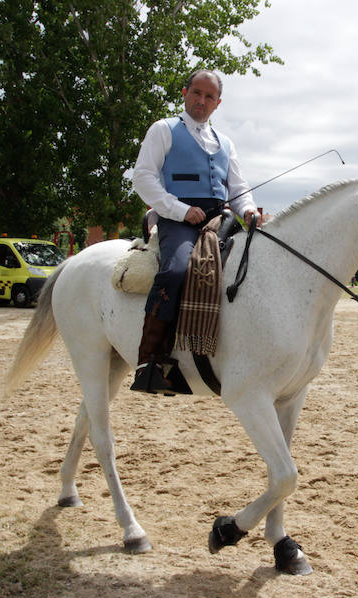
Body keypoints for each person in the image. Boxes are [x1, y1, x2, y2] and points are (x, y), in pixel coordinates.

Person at [129, 69, 266, 395]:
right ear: (184, 93)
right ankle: (150, 362)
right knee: (176, 271)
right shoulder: (163, 130)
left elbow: (239, 188)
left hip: (221, 217)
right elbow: (143, 178)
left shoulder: (226, 143)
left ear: (217, 104)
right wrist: (179, 210)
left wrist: (247, 208)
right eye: (197, 93)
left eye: (209, 97)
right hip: (177, 219)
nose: (201, 101)